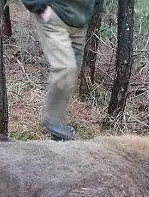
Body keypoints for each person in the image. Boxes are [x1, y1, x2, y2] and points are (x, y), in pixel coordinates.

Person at [22, 0, 97, 140]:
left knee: (72, 73)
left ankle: (58, 129)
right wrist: (38, 6)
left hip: (80, 23)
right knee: (66, 68)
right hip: (54, 15)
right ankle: (52, 121)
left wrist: (92, 7)